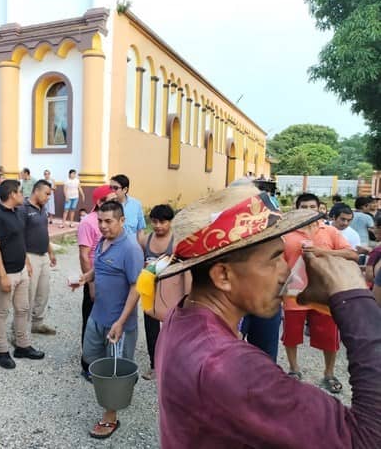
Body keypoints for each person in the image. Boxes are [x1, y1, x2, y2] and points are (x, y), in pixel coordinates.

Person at [154, 184, 381, 448]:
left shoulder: (182, 316)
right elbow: (366, 439)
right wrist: (353, 299)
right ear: (223, 275)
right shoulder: (229, 366)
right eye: (274, 258)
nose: (286, 271)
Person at [77, 200, 144, 439]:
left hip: (119, 323)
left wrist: (121, 322)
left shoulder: (131, 249)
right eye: (100, 221)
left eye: (109, 221)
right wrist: (85, 277)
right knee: (91, 358)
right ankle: (123, 383)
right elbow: (101, 267)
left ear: (122, 221)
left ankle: (110, 416)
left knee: (113, 372)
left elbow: (137, 287)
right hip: (97, 316)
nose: (103, 226)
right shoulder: (103, 242)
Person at [282, 193, 358, 393]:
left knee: (329, 334)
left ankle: (329, 373)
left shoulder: (329, 231)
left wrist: (323, 252)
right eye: (303, 206)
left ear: (319, 209)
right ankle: (294, 369)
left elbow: (351, 254)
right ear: (296, 208)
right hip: (293, 293)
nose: (308, 210)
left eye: (312, 207)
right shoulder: (285, 234)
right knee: (291, 334)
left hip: (324, 293)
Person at [0, 179, 45, 370]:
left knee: (23, 309)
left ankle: (22, 346)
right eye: (20, 192)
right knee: (2, 312)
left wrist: (26, 262)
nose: (23, 195)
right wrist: (2, 276)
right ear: (12, 195)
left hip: (20, 271)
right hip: (4, 273)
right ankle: (1, 351)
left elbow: (20, 239)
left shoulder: (18, 212)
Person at [77, 185, 115, 380]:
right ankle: (87, 364)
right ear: (99, 202)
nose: (115, 200)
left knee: (107, 320)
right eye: (111, 198)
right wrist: (90, 283)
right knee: (90, 321)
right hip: (94, 279)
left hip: (111, 281)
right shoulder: (88, 222)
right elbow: (84, 256)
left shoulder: (111, 221)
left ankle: (104, 359)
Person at [137, 204, 175, 380]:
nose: (158, 226)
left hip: (171, 293)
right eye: (155, 222)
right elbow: (139, 263)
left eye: (163, 222)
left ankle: (172, 365)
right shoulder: (146, 240)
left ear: (170, 222)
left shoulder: (177, 241)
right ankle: (154, 365)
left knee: (173, 329)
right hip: (150, 294)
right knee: (151, 329)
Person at [23, 180, 57, 335]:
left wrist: (50, 252)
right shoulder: (23, 209)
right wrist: (26, 261)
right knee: (28, 294)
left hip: (43, 256)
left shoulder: (43, 209)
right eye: (47, 193)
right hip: (30, 256)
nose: (48, 197)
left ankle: (37, 323)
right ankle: (21, 329)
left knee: (43, 292)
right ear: (36, 191)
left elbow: (45, 232)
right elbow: (18, 237)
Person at [109, 174, 146, 239]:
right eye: (110, 188)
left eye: (115, 188)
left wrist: (140, 247)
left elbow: (140, 230)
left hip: (132, 246)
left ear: (125, 190)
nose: (112, 191)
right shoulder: (108, 205)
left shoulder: (136, 204)